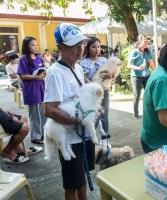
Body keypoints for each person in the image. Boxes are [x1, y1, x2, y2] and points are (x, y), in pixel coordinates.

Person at [44, 22, 95, 200]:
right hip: (70, 140)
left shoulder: (78, 68)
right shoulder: (55, 73)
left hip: (84, 135)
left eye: (81, 44)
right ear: (60, 47)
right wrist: (79, 120)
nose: (80, 48)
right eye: (74, 45)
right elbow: (50, 110)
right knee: (72, 183)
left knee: (82, 176)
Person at [17, 36, 46, 145]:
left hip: (41, 87)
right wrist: (36, 77)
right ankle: (35, 137)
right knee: (35, 114)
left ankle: (44, 133)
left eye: (36, 45)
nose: (35, 47)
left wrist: (44, 73)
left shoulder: (39, 58)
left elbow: (43, 70)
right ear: (26, 46)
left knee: (43, 112)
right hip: (31, 88)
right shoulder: (23, 59)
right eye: (32, 45)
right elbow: (22, 76)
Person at [79, 36, 110, 134]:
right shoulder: (84, 62)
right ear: (87, 48)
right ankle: (92, 136)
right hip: (90, 94)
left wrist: (109, 75)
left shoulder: (104, 60)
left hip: (104, 92)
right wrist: (94, 87)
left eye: (98, 46)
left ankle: (105, 137)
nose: (97, 49)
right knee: (91, 114)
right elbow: (84, 77)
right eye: (93, 47)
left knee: (104, 114)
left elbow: (110, 74)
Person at [127, 35, 156, 119]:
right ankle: (136, 113)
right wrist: (138, 68)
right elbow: (129, 65)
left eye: (147, 41)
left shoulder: (148, 51)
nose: (147, 43)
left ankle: (149, 112)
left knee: (149, 93)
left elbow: (151, 63)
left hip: (147, 75)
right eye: (145, 41)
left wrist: (156, 72)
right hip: (136, 77)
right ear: (139, 42)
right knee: (137, 94)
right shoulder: (134, 52)